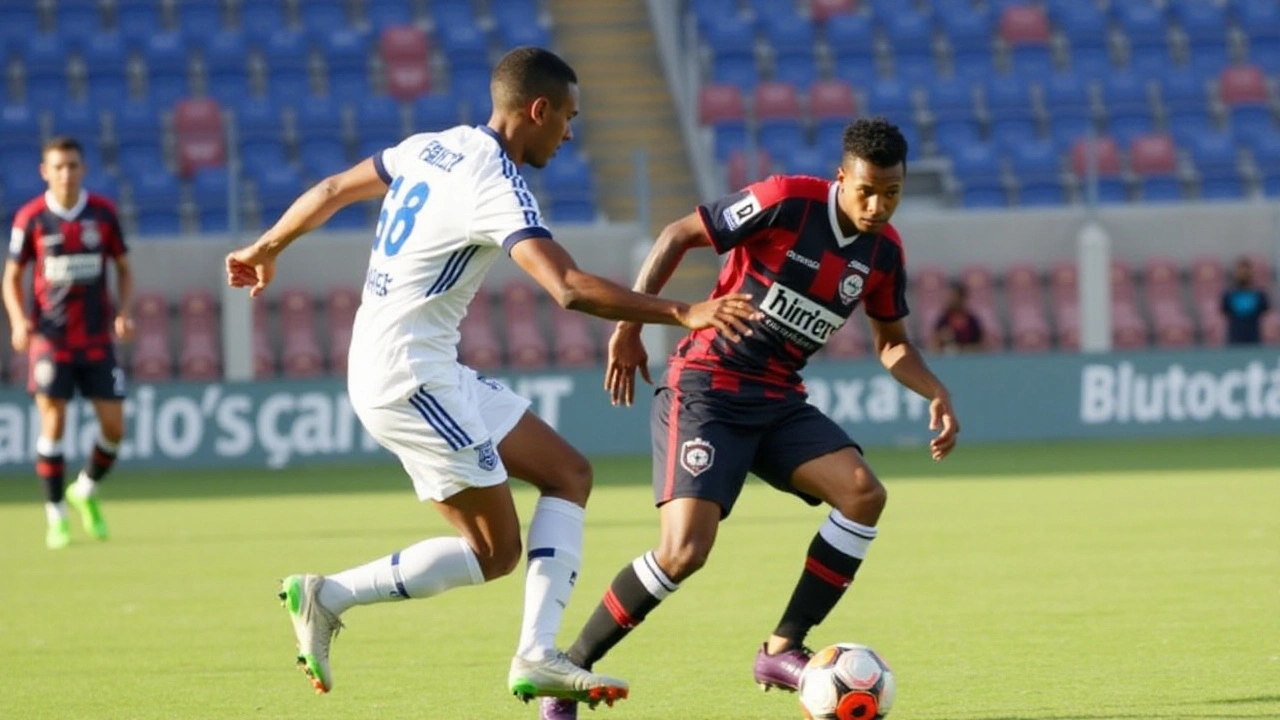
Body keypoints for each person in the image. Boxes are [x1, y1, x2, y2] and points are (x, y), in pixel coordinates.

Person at [223, 47, 758, 705]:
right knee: (493, 551)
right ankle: (335, 596)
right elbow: (566, 287)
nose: (570, 133)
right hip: (409, 378)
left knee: (569, 473)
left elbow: (335, 188)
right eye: (567, 117)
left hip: (419, 365)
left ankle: (536, 650)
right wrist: (684, 309)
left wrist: (266, 246)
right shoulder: (492, 182)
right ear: (538, 109)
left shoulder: (432, 145)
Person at [542, 118, 961, 719]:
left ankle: (782, 647)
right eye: (866, 191)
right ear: (842, 177)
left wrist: (935, 390)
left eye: (891, 194)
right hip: (707, 387)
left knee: (864, 494)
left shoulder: (883, 252)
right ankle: (569, 672)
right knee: (684, 551)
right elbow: (676, 234)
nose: (877, 206)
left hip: (777, 398)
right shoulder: (787, 200)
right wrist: (630, 326)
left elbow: (892, 342)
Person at [3, 136, 133, 551]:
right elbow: (11, 277)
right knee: (53, 423)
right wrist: (19, 320)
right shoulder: (31, 219)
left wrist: (123, 311)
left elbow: (124, 268)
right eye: (58, 166)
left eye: (73, 165)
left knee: (114, 428)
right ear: (45, 171)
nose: (66, 173)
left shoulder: (103, 214)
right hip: (51, 339)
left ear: (83, 169)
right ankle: (56, 516)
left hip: (95, 337)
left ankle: (86, 488)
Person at [1221, 256, 1270, 345]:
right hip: (1235, 336)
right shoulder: (1229, 294)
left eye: (1246, 271)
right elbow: (1224, 310)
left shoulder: (1258, 294)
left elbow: (1265, 310)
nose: (1243, 274)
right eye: (1240, 271)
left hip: (1253, 336)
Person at [931, 280, 984, 353]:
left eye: (954, 297)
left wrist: (967, 348)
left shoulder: (971, 320)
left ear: (962, 298)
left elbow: (982, 344)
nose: (951, 300)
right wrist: (941, 339)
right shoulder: (943, 319)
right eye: (950, 297)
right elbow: (933, 345)